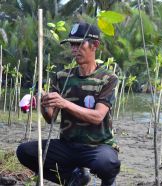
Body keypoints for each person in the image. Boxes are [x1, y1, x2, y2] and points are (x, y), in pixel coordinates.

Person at [16, 22, 120, 186]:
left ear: (95, 45)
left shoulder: (107, 78)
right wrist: (44, 102)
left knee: (107, 163)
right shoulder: (62, 76)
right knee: (24, 152)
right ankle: (73, 178)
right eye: (72, 45)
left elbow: (97, 117)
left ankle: (108, 181)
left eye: (79, 44)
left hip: (97, 146)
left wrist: (64, 103)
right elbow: (51, 118)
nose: (74, 49)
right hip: (67, 145)